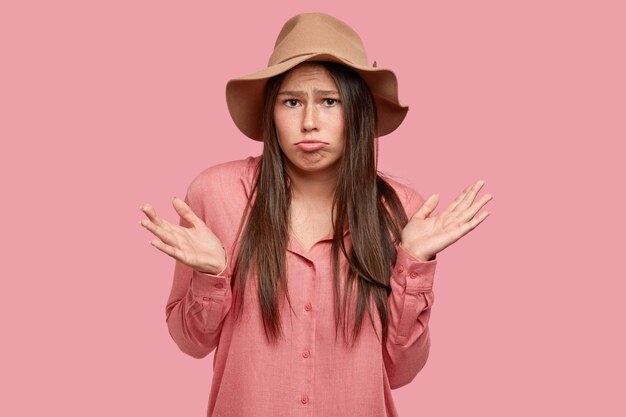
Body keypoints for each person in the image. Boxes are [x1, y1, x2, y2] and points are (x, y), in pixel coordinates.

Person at [139, 12, 492, 417]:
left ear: (357, 111)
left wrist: (414, 264)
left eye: (329, 101)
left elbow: (401, 371)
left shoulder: (404, 212)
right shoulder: (215, 195)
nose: (309, 122)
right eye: (292, 102)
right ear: (270, 113)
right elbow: (191, 343)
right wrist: (210, 275)